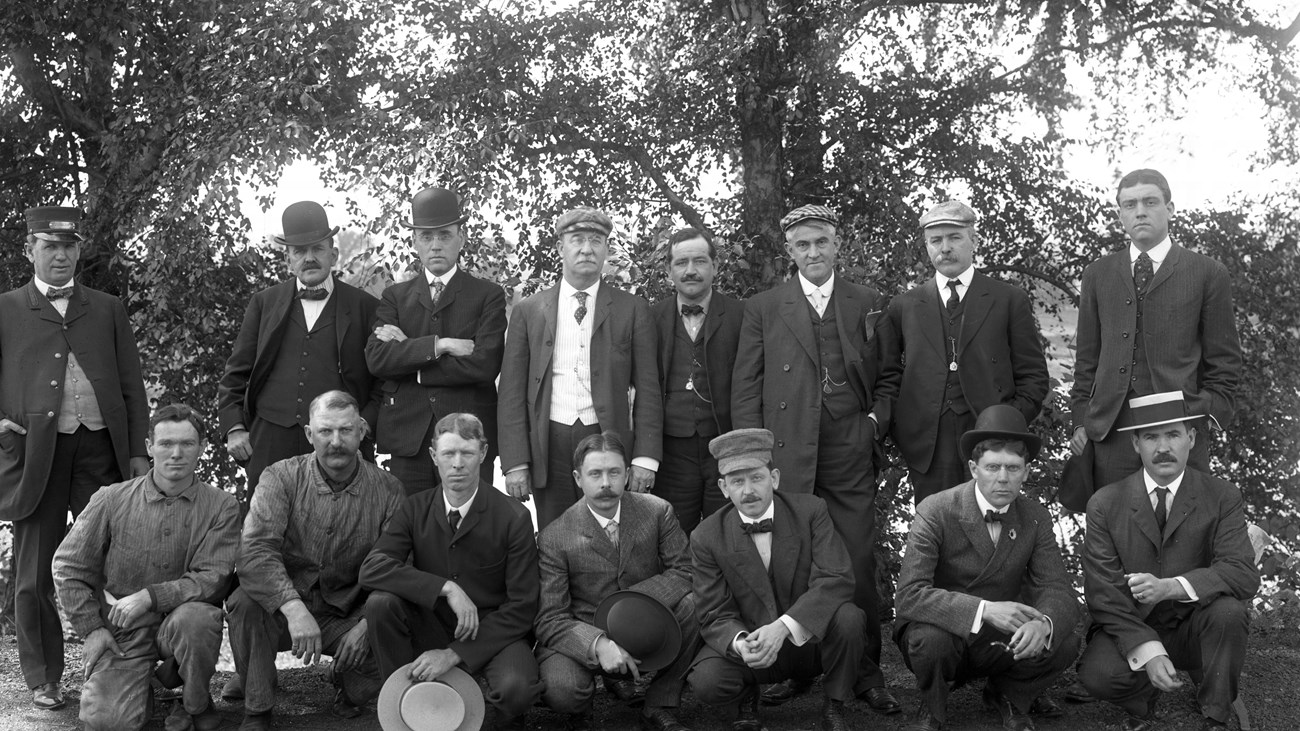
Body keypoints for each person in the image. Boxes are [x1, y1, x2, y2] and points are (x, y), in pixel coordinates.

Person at [730, 204, 899, 713]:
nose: (812, 253)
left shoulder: (867, 301)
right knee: (792, 565)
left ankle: (866, 674)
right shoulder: (764, 306)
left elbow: (890, 376)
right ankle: (801, 669)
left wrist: (873, 424)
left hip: (849, 451)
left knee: (857, 560)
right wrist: (754, 454)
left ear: (836, 244)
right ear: (789, 252)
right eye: (802, 245)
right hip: (787, 452)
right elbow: (747, 386)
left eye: (820, 242)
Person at [0, 206, 150, 711]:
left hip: (101, 452)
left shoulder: (107, 307)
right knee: (34, 572)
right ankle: (44, 678)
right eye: (49, 246)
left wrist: (136, 454)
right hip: (35, 454)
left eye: (68, 246)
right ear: (30, 251)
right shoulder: (5, 309)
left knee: (113, 566)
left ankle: (117, 673)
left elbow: (131, 385)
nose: (60, 255)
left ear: (79, 250)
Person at [1078, 391, 1259, 730]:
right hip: (1133, 625)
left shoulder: (1222, 496)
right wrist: (1147, 650)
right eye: (1151, 437)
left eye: (1173, 434)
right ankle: (1144, 696)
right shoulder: (1105, 503)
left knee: (1230, 613)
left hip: (1196, 625)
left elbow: (1243, 574)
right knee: (1098, 675)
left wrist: (1172, 587)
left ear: (1190, 438)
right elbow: (1103, 594)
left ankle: (1216, 711)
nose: (1163, 447)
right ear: (1135, 444)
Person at [52, 405, 239, 730]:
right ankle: (148, 687)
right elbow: (68, 565)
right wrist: (92, 629)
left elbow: (212, 578)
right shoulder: (111, 499)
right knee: (107, 722)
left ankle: (194, 703)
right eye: (166, 443)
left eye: (187, 444)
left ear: (203, 447)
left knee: (197, 620)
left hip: (183, 625)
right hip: (124, 629)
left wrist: (150, 597)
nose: (176, 454)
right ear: (150, 447)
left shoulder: (222, 506)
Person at [893, 405, 1079, 731]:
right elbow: (909, 596)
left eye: (1013, 467)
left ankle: (1008, 694)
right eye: (992, 467)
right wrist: (984, 610)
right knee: (931, 643)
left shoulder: (1035, 516)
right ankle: (933, 705)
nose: (1003, 478)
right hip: (944, 632)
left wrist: (1045, 625)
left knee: (1063, 642)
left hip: (1001, 638)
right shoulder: (935, 510)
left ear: (1026, 471)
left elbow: (1058, 588)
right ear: (973, 468)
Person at [226, 390, 404, 730]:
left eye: (346, 430)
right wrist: (293, 608)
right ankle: (258, 706)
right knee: (244, 603)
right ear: (309, 434)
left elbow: (397, 565)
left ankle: (347, 685)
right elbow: (254, 551)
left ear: (362, 431)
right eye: (325, 431)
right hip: (282, 609)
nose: (335, 441)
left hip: (346, 612)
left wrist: (367, 624)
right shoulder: (280, 477)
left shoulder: (389, 490)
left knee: (390, 628)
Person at [361, 413, 541, 729]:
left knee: (517, 691)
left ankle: (492, 701)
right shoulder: (414, 507)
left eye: (467, 453)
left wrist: (454, 654)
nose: (457, 464)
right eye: (448, 453)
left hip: (493, 632)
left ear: (483, 453)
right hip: (431, 623)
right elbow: (373, 568)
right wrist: (445, 588)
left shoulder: (514, 516)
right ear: (434, 456)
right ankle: (406, 699)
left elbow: (523, 607)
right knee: (381, 603)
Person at [1069, 169, 1242, 489]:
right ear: (1120, 213)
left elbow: (1225, 360)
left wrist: (1202, 413)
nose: (1140, 211)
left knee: (1186, 531)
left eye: (1150, 202)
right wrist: (1080, 421)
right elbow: (1086, 360)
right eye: (1129, 204)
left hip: (1180, 431)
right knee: (1113, 530)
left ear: (1170, 209)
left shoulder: (1207, 273)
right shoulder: (1097, 274)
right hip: (1110, 435)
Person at [688, 428, 866, 731]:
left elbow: (836, 578)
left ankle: (835, 703)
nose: (748, 491)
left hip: (809, 641)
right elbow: (713, 610)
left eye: (756, 477)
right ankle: (747, 698)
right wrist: (742, 643)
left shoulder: (810, 510)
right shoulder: (705, 536)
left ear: (775, 478)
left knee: (850, 619)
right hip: (755, 650)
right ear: (723, 487)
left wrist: (783, 627)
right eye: (737, 481)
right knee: (707, 680)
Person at [498, 206, 662, 529]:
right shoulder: (530, 311)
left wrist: (645, 459)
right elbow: (511, 392)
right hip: (550, 440)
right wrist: (515, 461)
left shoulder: (633, 310)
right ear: (561, 247)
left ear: (606, 249)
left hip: (607, 440)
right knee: (554, 535)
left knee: (611, 534)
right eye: (577, 240)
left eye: (596, 240)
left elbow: (649, 389)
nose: (587, 249)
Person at [878, 201, 1049, 505]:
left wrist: (1007, 423)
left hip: (993, 442)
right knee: (934, 534)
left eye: (955, 237)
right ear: (927, 246)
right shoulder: (904, 306)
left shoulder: (1008, 299)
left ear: (974, 240)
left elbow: (1034, 377)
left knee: (992, 533)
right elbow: (888, 377)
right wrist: (900, 428)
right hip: (927, 446)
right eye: (936, 240)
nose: (945, 248)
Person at [217, 200, 381, 503]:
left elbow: (383, 380)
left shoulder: (365, 307)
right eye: (299, 251)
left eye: (317, 249)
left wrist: (363, 425)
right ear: (288, 258)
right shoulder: (264, 303)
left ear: (333, 254)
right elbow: (235, 373)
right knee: (262, 533)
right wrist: (234, 428)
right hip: (269, 441)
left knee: (340, 532)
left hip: (339, 443)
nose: (309, 258)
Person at [534, 431, 697, 731]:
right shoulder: (554, 537)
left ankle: (658, 704)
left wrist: (631, 606)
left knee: (694, 604)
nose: (606, 483)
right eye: (595, 474)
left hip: (647, 622)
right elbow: (550, 619)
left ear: (628, 475)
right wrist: (597, 644)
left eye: (614, 473)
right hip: (586, 631)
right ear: (577, 478)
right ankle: (581, 709)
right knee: (563, 690)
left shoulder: (657, 511)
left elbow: (685, 571)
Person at [365, 188, 507, 495]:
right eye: (427, 237)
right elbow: (377, 360)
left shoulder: (487, 296)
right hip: (409, 439)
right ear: (415, 241)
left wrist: (410, 355)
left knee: (471, 527)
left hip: (468, 438)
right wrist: (440, 345)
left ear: (461, 238)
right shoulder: (395, 297)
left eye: (444, 235)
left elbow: (484, 364)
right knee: (410, 529)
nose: (436, 245)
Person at [650, 226, 744, 533]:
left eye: (700, 261)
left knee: (731, 538)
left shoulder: (743, 316)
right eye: (681, 262)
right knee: (672, 540)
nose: (691, 271)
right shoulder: (650, 318)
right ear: (668, 270)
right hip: (671, 454)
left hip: (726, 448)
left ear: (715, 266)